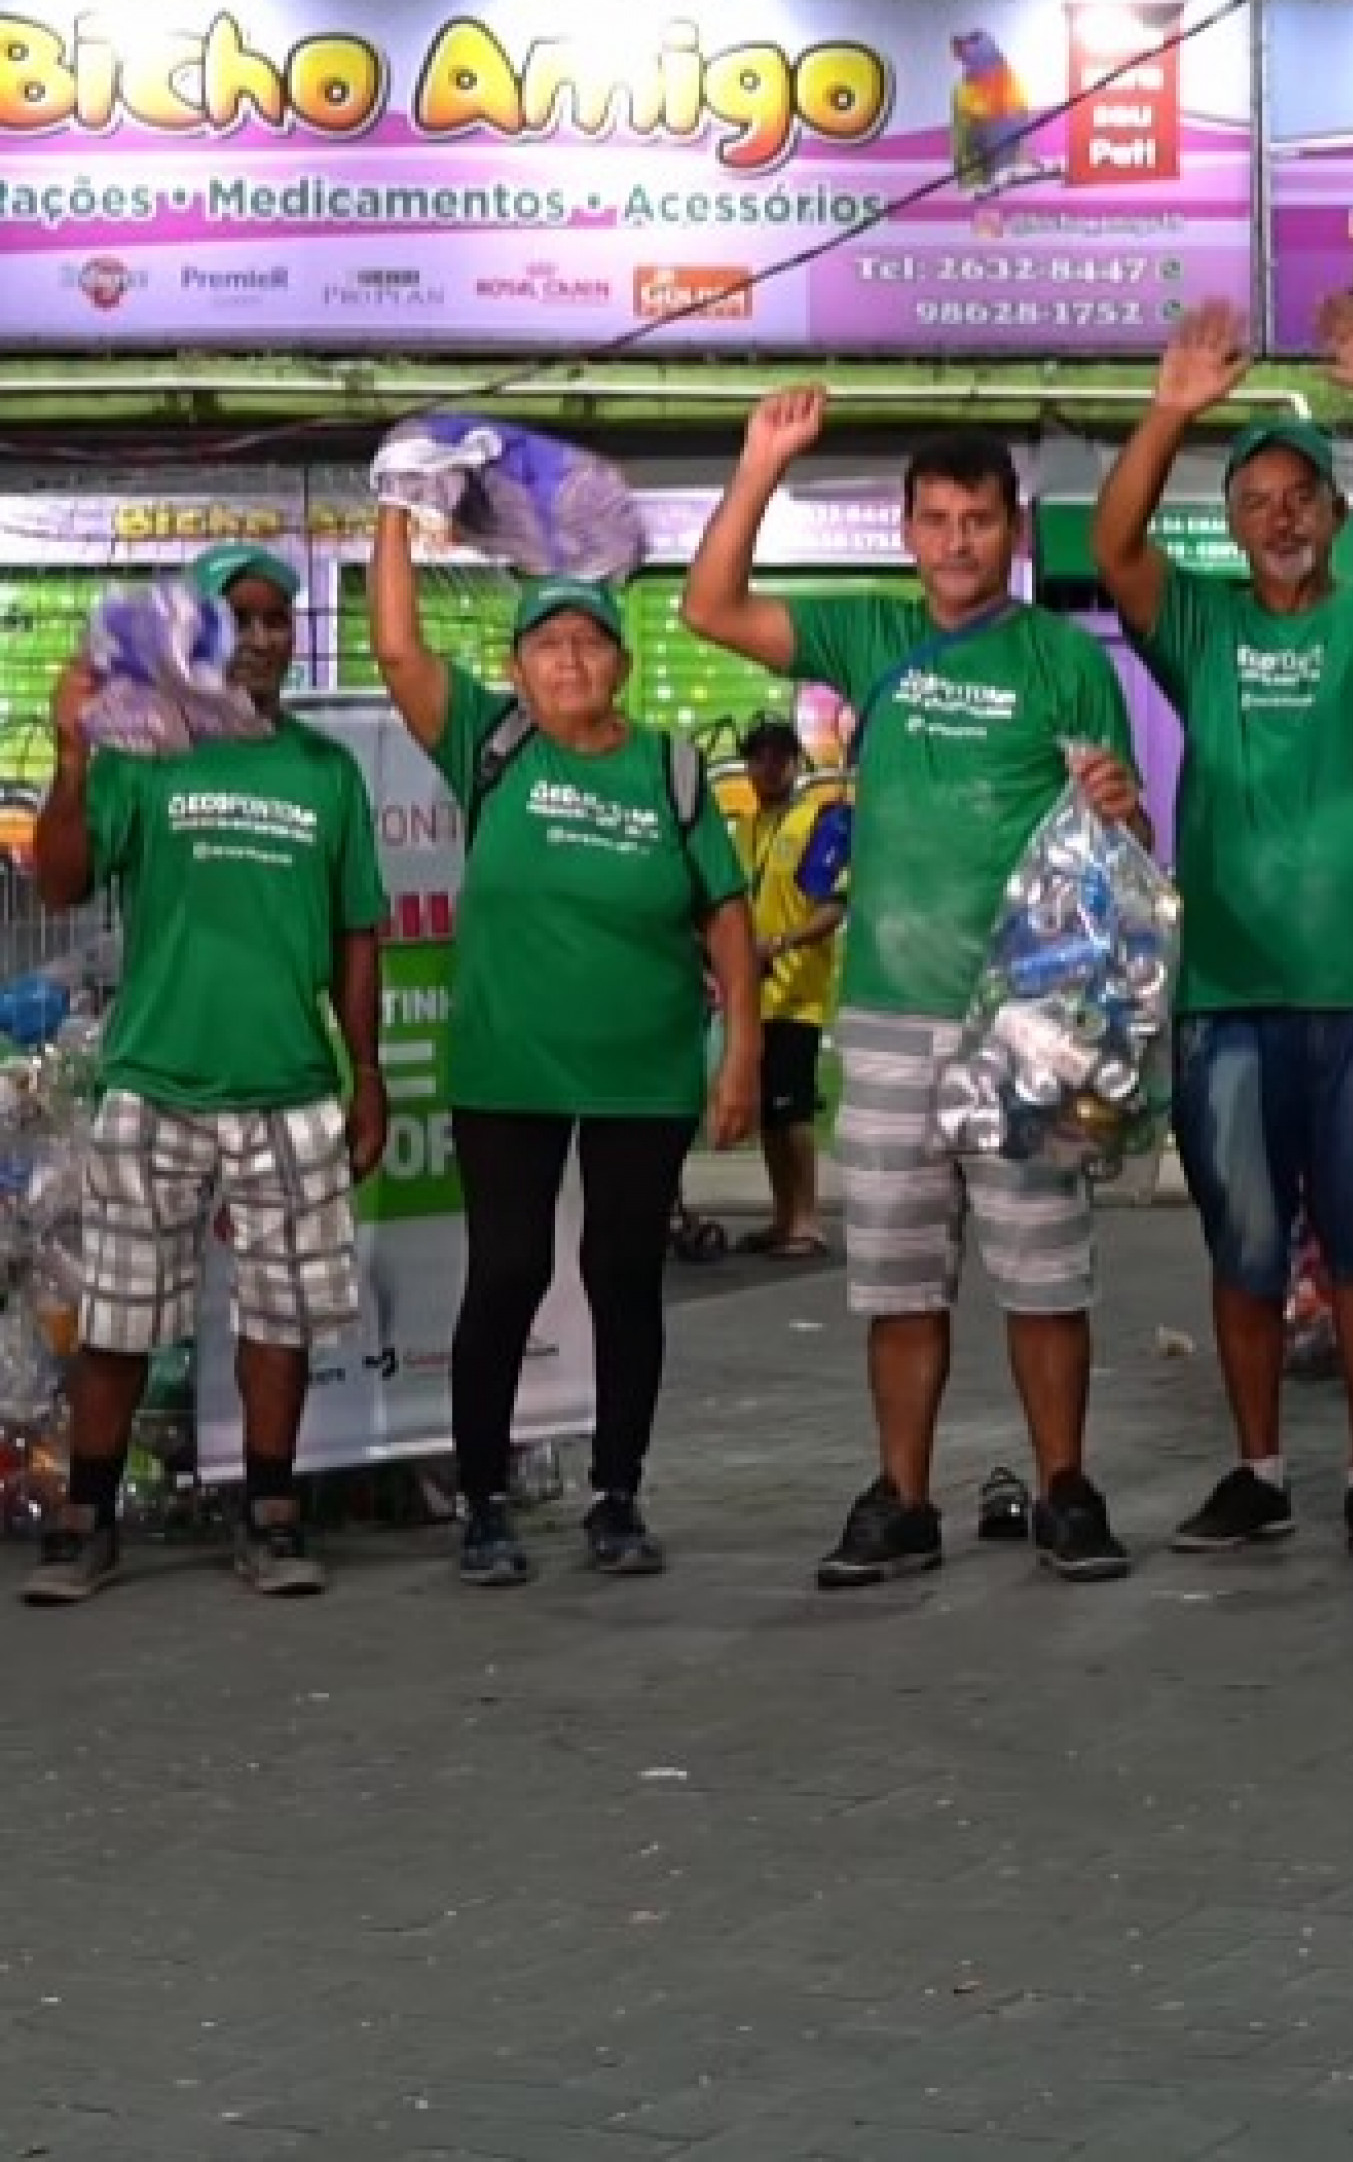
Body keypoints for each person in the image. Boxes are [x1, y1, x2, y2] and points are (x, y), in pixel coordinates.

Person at [681, 391, 1148, 1587]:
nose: (955, 540)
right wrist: (759, 466)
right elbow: (711, 606)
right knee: (895, 1278)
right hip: (887, 1014)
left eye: (978, 519)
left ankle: (1065, 1490)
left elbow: (1121, 832)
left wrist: (1125, 808)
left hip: (1026, 1020)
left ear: (1014, 533)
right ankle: (902, 1496)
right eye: (934, 519)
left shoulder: (1060, 659)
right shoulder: (871, 638)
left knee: (1046, 1276)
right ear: (905, 531)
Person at [1092, 295, 1353, 1560]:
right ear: (1233, 525)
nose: (1279, 514)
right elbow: (1114, 550)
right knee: (1247, 1245)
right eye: (1254, 498)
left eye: (1300, 496)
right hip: (1226, 994)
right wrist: (1168, 412)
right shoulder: (1202, 626)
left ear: (1331, 514)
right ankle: (1259, 1470)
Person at [369, 509, 759, 1586]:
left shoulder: (670, 770)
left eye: (589, 641)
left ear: (622, 664)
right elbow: (398, 647)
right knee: (508, 1269)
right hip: (511, 1067)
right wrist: (397, 510)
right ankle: (484, 1502)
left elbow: (726, 916)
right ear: (518, 668)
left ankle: (617, 1493)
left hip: (645, 1070)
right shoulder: (489, 741)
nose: (570, 658)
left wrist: (740, 1054)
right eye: (549, 644)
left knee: (624, 1274)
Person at [24, 542, 389, 1606]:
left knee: (279, 1317)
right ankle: (87, 1519)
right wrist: (74, 749)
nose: (265, 634)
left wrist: (364, 1071)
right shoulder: (150, 754)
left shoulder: (327, 770)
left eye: (279, 617)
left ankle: (271, 1513)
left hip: (288, 1086)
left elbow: (360, 932)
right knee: (120, 1318)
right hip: (156, 1080)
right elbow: (60, 877)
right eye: (242, 616)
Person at [728, 714, 847, 1260]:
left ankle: (806, 1220)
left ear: (795, 763)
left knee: (792, 1108)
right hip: (753, 994)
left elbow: (833, 907)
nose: (767, 767)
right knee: (772, 1115)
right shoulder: (747, 826)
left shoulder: (816, 821)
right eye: (758, 757)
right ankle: (783, 1217)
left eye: (778, 757)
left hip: (797, 993)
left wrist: (782, 944)